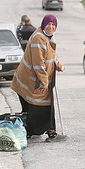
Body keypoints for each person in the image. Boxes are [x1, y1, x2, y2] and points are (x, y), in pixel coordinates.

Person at [11, 14, 66, 142]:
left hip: (33, 81)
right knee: (41, 107)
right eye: (48, 24)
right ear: (43, 24)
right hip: (31, 81)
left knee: (36, 108)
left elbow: (49, 57)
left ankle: (31, 132)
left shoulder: (46, 37)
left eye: (53, 25)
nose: (51, 27)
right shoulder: (39, 39)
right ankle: (45, 132)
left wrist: (59, 65)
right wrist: (44, 83)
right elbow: (38, 64)